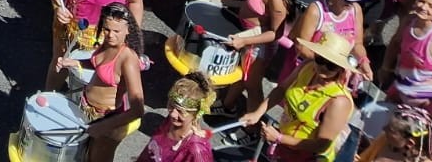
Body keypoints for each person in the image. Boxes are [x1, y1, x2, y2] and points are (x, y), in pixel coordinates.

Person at [239, 30, 356, 162]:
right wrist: (257, 113)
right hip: (285, 147)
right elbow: (282, 89)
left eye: (331, 65)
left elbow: (322, 145)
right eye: (320, 59)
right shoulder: (308, 66)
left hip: (308, 157)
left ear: (341, 69)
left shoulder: (339, 101)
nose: (323, 67)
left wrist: (279, 138)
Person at [55, 2, 142, 162]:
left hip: (108, 120)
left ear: (128, 30)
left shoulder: (128, 59)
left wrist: (103, 126)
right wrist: (76, 63)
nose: (110, 35)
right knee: (81, 156)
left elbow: (138, 109)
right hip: (87, 111)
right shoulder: (107, 44)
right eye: (107, 29)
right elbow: (98, 64)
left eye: (116, 31)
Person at [136, 72, 213, 162]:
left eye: (181, 111)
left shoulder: (197, 151)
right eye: (171, 106)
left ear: (196, 114)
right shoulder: (170, 122)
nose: (173, 114)